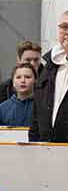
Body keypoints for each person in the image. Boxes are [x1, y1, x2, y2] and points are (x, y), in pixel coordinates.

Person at [30, 10, 68, 143]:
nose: (67, 32)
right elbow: (37, 115)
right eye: (64, 27)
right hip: (47, 149)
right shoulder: (49, 67)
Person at [0, 40, 43, 106]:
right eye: (28, 60)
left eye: (36, 60)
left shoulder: (48, 83)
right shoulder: (7, 87)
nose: (32, 63)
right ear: (19, 60)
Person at [0, 63, 35, 127]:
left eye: (27, 77)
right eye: (18, 77)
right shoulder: (2, 109)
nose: (23, 80)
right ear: (13, 82)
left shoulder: (41, 106)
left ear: (35, 81)